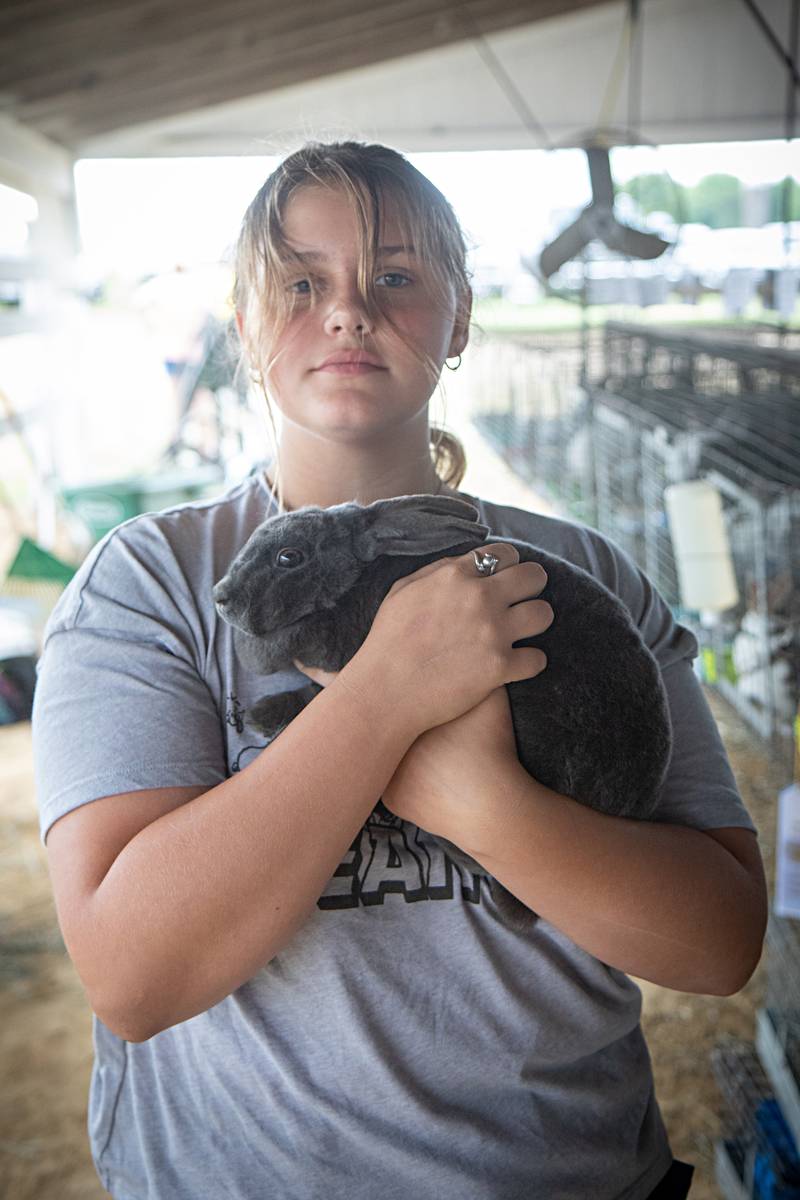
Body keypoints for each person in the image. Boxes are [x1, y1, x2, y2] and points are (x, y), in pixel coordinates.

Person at [33, 141, 766, 1200]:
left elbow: (715, 945)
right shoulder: (154, 583)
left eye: (395, 278)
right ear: (243, 325)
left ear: (458, 318)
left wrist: (478, 803)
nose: (346, 311)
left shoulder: (580, 576)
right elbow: (134, 977)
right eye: (299, 283)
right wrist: (384, 696)